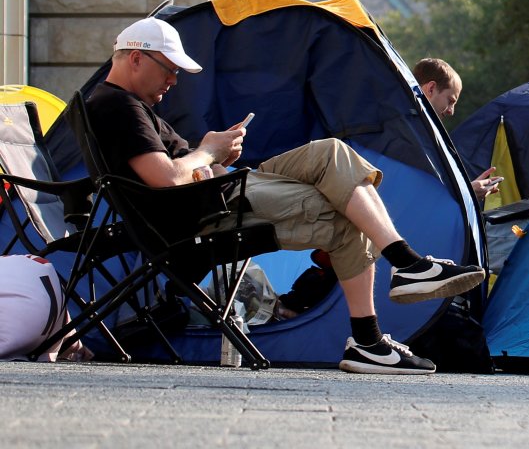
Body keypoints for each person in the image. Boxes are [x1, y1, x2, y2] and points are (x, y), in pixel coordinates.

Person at [85, 18, 486, 375]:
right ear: (136, 58)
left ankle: (405, 267)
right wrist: (209, 150)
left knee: (331, 152)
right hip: (216, 209)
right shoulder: (119, 107)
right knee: (347, 216)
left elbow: (178, 171)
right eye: (169, 69)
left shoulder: (128, 106)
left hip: (228, 184)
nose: (173, 80)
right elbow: (167, 181)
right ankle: (373, 331)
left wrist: (217, 158)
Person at [413, 58, 502, 201]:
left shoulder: (412, 129)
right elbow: (419, 198)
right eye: (450, 101)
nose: (451, 111)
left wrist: (468, 190)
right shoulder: (412, 134)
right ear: (430, 89)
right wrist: (467, 193)